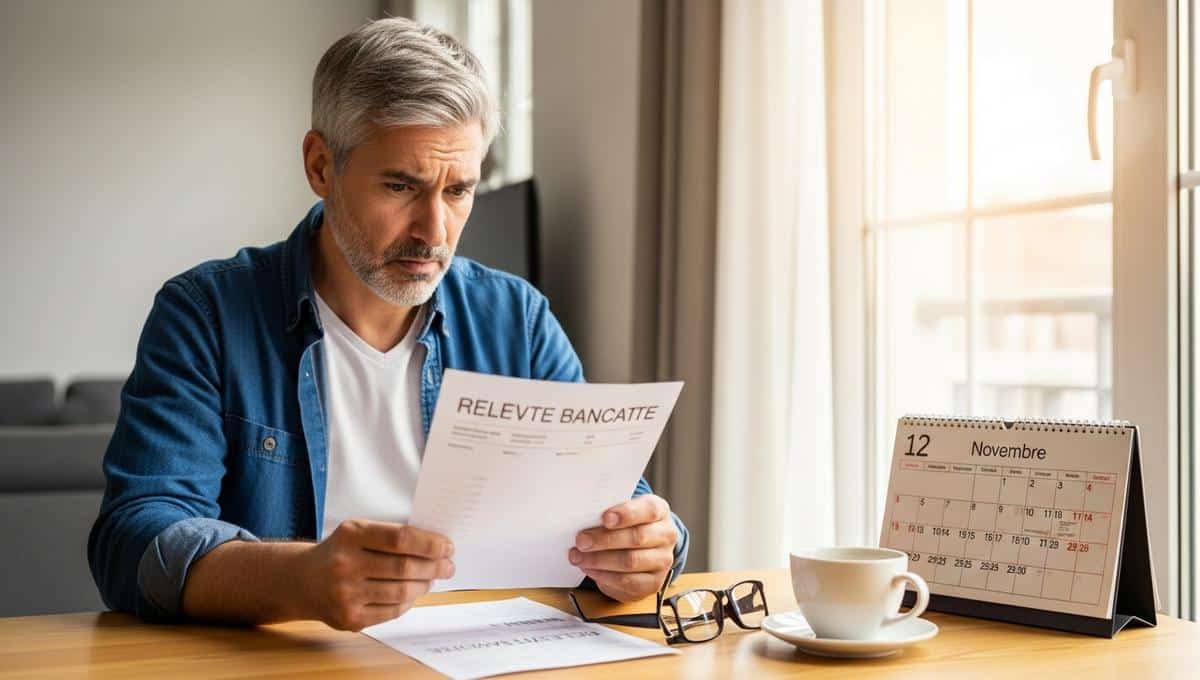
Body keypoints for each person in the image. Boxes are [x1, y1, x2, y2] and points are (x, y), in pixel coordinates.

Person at [88, 17, 688, 631]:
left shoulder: (519, 320)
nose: (434, 232)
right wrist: (301, 581)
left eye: (458, 191)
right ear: (321, 166)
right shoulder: (207, 314)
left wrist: (642, 548)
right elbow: (135, 541)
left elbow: (616, 505)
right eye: (401, 185)